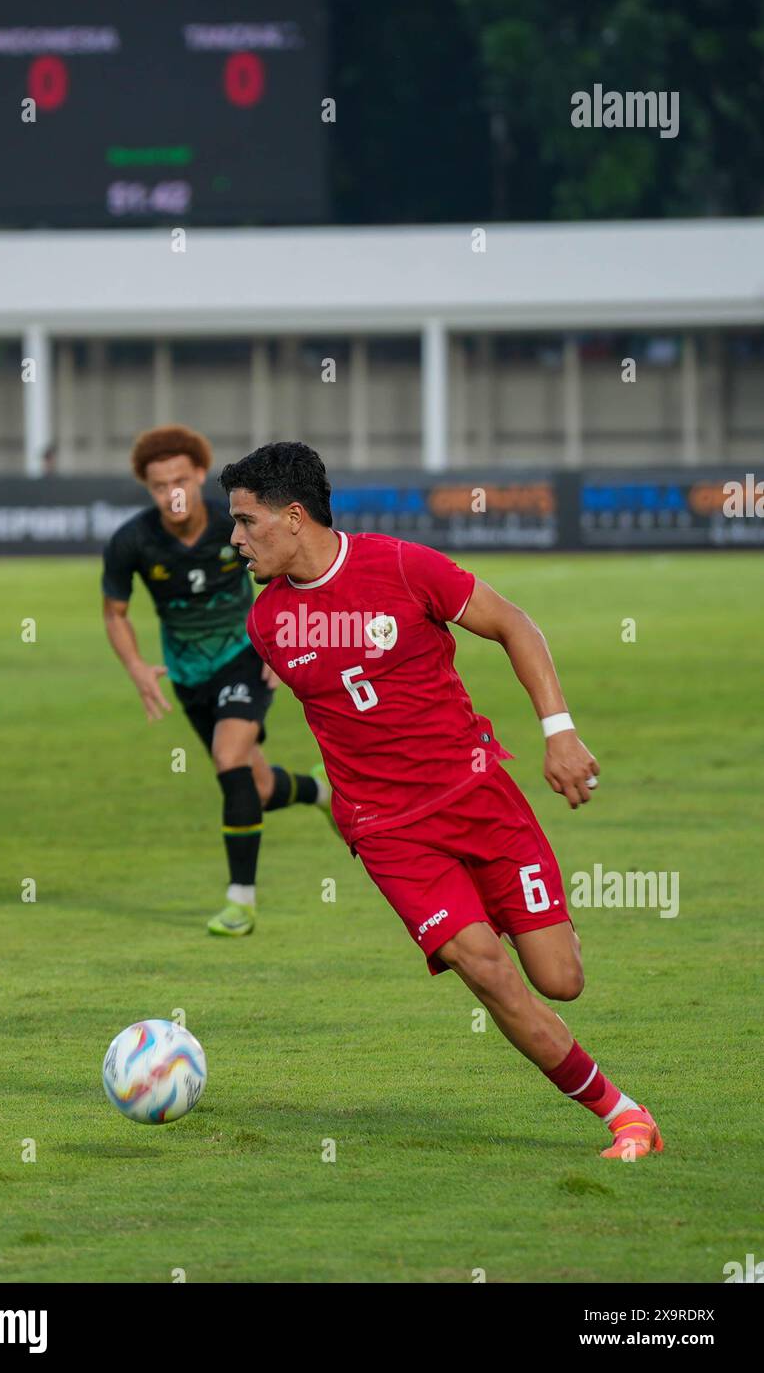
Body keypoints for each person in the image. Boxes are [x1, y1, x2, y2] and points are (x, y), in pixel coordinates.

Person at [219, 440, 663, 1160]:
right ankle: (625, 1115)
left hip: (477, 795)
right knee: (483, 967)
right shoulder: (267, 621)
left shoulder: (401, 565)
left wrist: (559, 734)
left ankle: (499, 904)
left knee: (561, 979)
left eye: (245, 521)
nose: (235, 540)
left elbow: (513, 624)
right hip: (389, 831)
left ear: (293, 516)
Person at [101, 425, 333, 937]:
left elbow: (294, 571)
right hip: (188, 677)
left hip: (244, 658)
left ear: (200, 474)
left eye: (181, 479)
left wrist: (285, 640)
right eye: (160, 486)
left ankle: (241, 902)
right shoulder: (132, 541)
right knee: (255, 782)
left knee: (229, 759)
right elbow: (115, 613)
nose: (173, 493)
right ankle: (322, 792)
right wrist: (138, 668)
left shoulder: (239, 525)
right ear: (147, 488)